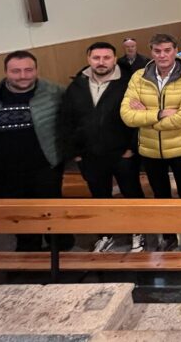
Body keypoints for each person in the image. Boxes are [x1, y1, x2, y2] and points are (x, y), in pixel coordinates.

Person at [0, 50, 71, 252]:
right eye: (16, 71)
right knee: (17, 217)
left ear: (36, 70)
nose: (23, 76)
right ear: (6, 71)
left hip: (43, 168)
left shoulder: (55, 93)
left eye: (28, 70)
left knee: (51, 212)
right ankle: (28, 252)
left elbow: (72, 121)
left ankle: (61, 250)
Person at [60, 42, 144, 253]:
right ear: (89, 59)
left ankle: (139, 231)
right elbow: (66, 120)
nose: (101, 62)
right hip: (89, 154)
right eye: (96, 58)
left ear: (115, 59)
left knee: (132, 192)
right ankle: (106, 234)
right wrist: (76, 154)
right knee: (99, 196)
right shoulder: (77, 85)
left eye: (106, 57)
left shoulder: (128, 82)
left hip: (122, 152)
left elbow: (139, 117)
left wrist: (131, 148)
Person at [120, 33, 181, 251]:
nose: (162, 55)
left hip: (180, 147)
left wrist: (146, 116)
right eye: (157, 51)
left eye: (167, 50)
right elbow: (127, 115)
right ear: (151, 51)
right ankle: (168, 234)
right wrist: (159, 114)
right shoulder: (139, 76)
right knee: (160, 193)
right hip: (149, 148)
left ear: (175, 51)